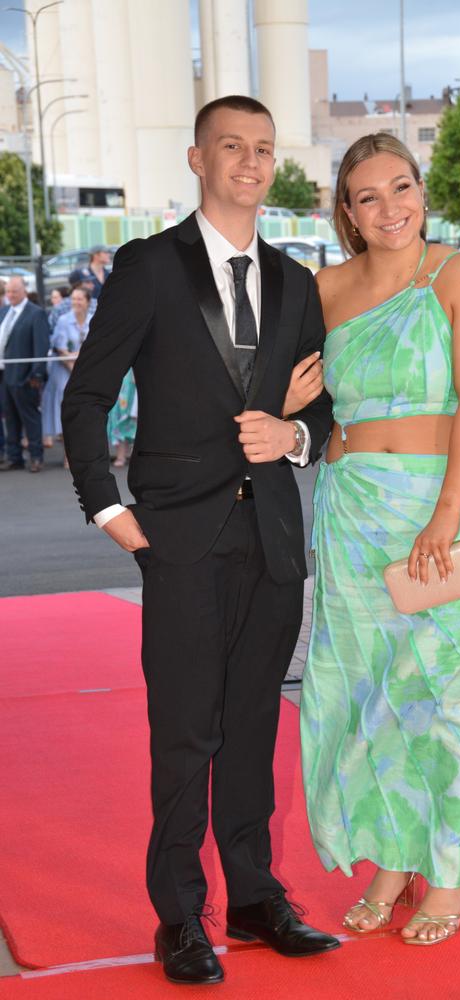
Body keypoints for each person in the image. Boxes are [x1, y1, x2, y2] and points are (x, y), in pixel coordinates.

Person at [62, 95, 337, 987]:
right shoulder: (148, 266)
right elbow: (87, 397)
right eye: (233, 147)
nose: (251, 163)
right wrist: (107, 509)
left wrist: (293, 438)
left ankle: (254, 898)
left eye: (263, 149)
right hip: (178, 540)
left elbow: (321, 407)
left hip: (274, 543)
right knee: (186, 734)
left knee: (255, 727)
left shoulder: (297, 282)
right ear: (198, 159)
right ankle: (181, 915)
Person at [301, 133, 460, 946]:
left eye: (402, 187)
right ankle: (389, 859)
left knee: (451, 696)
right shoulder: (325, 289)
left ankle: (450, 873)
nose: (391, 208)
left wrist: (449, 510)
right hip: (352, 513)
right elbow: (304, 405)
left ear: (422, 190)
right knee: (369, 698)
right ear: (346, 212)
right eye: (368, 196)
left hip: (437, 510)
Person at [0, 276, 50, 472]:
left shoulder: (36, 313)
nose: (10, 295)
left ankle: (36, 457)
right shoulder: (4, 311)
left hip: (25, 377)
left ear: (24, 291)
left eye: (14, 291)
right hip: (4, 376)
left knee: (30, 418)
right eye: (8, 292)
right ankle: (14, 458)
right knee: (10, 418)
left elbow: (41, 347)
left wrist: (36, 375)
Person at [41, 287, 91, 461]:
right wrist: (75, 370)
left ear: (87, 302)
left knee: (85, 414)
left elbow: (92, 349)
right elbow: (61, 350)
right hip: (64, 373)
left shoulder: (92, 321)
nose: (76, 302)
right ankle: (68, 456)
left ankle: (86, 454)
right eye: (73, 299)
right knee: (66, 414)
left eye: (80, 299)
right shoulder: (63, 320)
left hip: (85, 372)